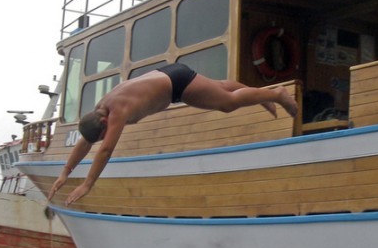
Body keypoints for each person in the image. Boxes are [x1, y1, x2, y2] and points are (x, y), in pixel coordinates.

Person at [48, 63, 298, 205]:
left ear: (104, 123)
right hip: (169, 75)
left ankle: (275, 94)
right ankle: (259, 95)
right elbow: (86, 143)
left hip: (175, 84)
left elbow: (105, 150)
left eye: (104, 133)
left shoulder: (116, 111)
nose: (104, 137)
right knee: (222, 89)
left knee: (227, 103)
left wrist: (87, 184)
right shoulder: (97, 113)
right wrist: (65, 172)